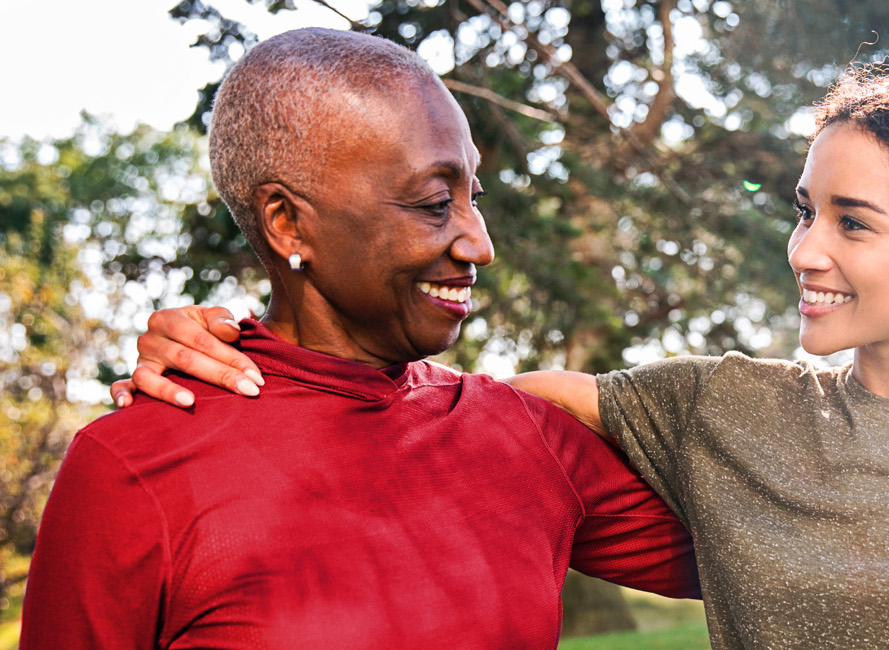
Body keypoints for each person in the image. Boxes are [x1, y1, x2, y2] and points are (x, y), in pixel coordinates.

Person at [109, 54, 889, 649]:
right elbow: (454, 411)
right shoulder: (718, 413)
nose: (804, 248)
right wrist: (252, 352)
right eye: (804, 211)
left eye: (853, 222)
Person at [19, 28, 701, 650]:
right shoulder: (131, 467)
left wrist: (580, 395)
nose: (479, 244)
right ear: (288, 224)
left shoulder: (524, 436)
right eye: (435, 204)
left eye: (474, 198)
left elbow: (769, 550)